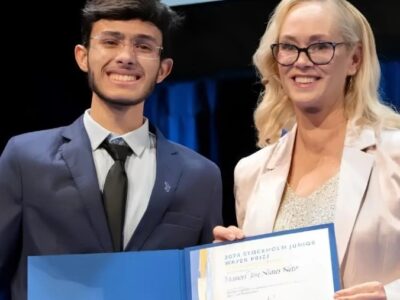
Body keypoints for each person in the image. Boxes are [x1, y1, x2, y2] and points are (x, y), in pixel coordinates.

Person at [0, 0, 222, 299]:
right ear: (83, 56)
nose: (126, 57)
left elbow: (205, 284)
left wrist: (228, 260)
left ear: (163, 69)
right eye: (110, 42)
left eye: (143, 47)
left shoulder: (201, 176)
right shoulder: (25, 158)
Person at [214, 0, 400, 299]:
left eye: (320, 46)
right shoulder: (251, 172)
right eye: (288, 47)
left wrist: (390, 296)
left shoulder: (394, 155)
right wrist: (228, 268)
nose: (302, 61)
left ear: (354, 59)